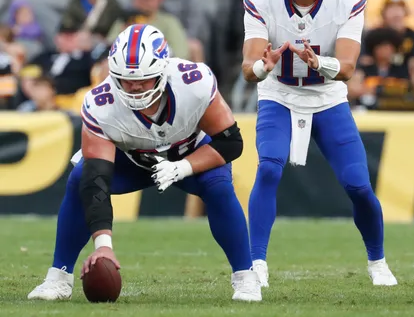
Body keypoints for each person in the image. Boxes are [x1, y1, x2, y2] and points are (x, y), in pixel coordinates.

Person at [27, 24, 261, 302]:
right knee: (80, 177)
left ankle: (246, 277)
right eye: (127, 80)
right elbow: (96, 180)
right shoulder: (100, 104)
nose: (136, 87)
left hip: (189, 155)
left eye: (145, 79)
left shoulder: (194, 83)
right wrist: (103, 245)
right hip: (132, 160)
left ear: (162, 72)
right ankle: (59, 277)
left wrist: (182, 167)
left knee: (219, 186)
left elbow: (231, 142)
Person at [241, 0, 397, 288]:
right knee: (268, 168)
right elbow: (250, 68)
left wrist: (318, 63)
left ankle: (377, 260)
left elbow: (346, 69)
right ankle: (256, 263)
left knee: (358, 184)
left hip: (327, 96)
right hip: (279, 93)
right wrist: (265, 64)